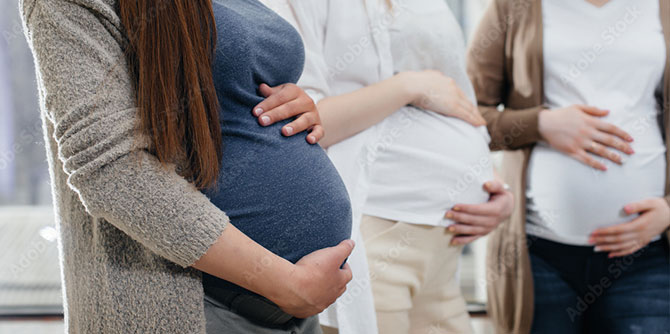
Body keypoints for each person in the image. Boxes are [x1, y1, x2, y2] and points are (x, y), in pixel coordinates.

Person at [21, 0, 355, 333]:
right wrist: (285, 283)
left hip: (290, 305)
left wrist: (292, 100)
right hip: (197, 306)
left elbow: (228, 78)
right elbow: (111, 172)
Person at [285, 0, 515, 332]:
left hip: (445, 244)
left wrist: (493, 185)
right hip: (377, 232)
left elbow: (456, 100)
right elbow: (301, 123)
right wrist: (410, 86)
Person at [467, 0, 670, 333]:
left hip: (647, 258)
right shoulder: (513, 6)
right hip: (538, 256)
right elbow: (468, 114)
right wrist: (541, 124)